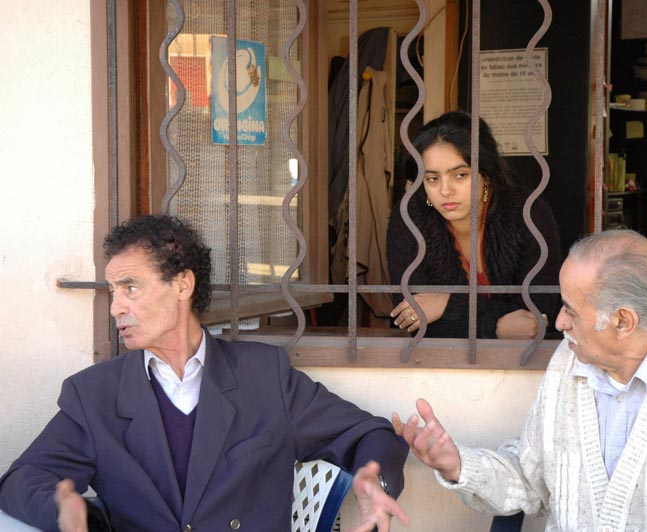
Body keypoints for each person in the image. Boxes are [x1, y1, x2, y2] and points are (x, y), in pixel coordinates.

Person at [0, 215, 409, 532]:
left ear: (183, 285)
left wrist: (373, 481)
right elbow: (21, 479)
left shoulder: (263, 376)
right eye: (113, 292)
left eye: (131, 288)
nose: (116, 307)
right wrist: (67, 511)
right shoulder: (95, 394)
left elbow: (370, 433)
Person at [393, 229, 647, 530]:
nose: (559, 323)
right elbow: (530, 480)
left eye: (570, 310)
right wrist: (458, 464)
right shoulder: (569, 363)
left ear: (623, 321)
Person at [387, 111, 562, 339]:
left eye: (460, 175)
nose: (445, 190)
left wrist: (447, 304)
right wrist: (497, 326)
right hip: (442, 357)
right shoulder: (410, 216)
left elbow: (538, 315)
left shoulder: (528, 211)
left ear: (486, 174)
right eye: (432, 178)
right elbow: (410, 316)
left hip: (528, 356)